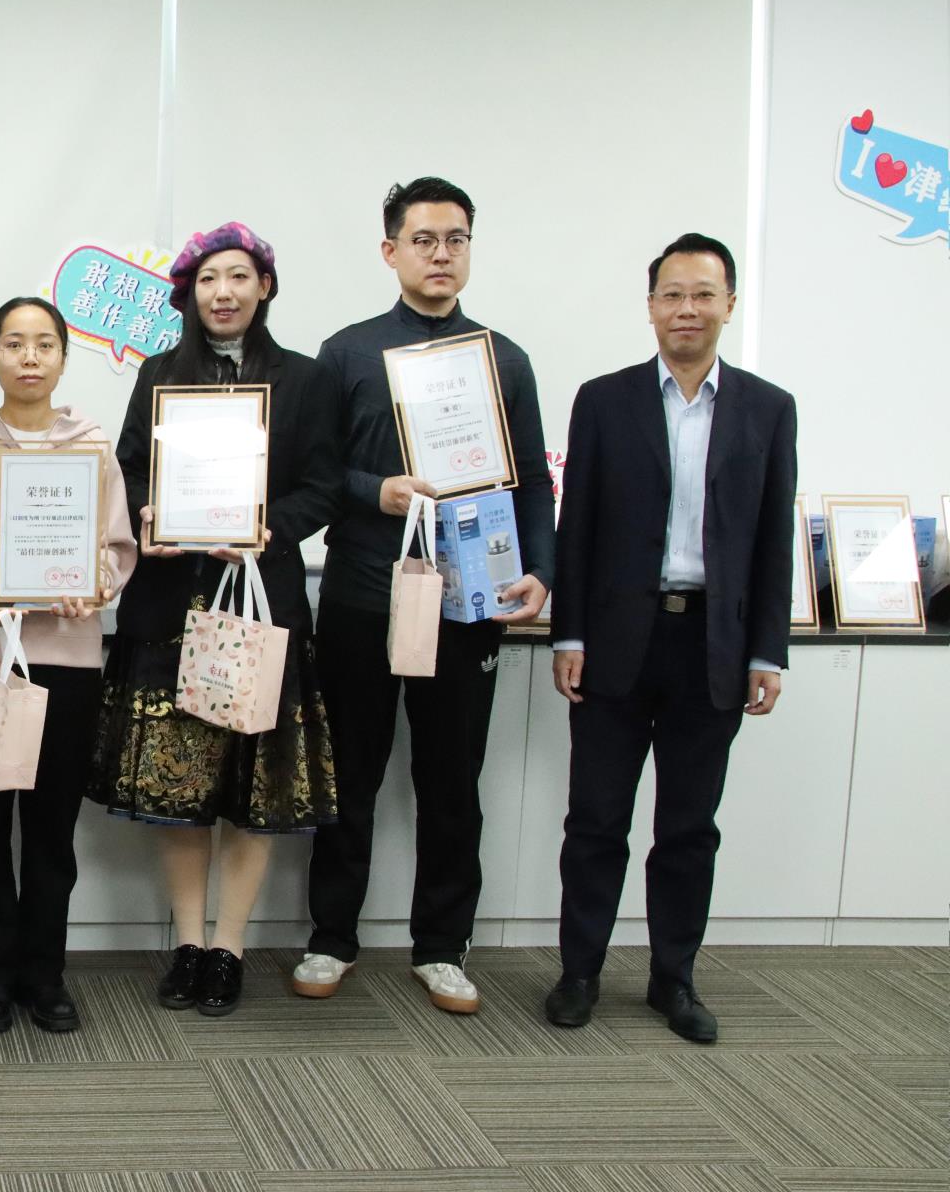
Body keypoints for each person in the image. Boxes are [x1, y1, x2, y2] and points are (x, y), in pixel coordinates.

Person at [301, 177, 554, 1016]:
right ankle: (332, 936)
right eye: (423, 240)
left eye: (455, 240)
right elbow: (314, 476)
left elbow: (531, 484)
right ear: (390, 251)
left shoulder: (503, 360)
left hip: (468, 600)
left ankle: (442, 947)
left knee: (452, 781)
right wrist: (376, 492)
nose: (440, 255)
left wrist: (541, 570)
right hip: (363, 596)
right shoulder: (346, 353)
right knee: (350, 775)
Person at [543, 233, 795, 1044]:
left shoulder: (768, 408)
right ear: (650, 306)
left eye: (703, 294)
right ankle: (579, 972)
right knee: (595, 821)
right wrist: (567, 634)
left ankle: (672, 978)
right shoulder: (603, 400)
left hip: (712, 645)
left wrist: (767, 650)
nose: (687, 309)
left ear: (729, 304)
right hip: (616, 640)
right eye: (672, 294)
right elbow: (577, 528)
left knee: (688, 828)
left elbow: (772, 541)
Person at [87, 222, 343, 1017]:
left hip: (260, 602)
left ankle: (230, 948)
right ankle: (189, 944)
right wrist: (148, 511)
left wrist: (271, 527)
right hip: (170, 603)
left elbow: (324, 485)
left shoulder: (304, 380)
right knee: (179, 783)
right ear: (188, 293)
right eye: (207, 280)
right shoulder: (161, 373)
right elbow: (129, 468)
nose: (222, 293)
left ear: (264, 286)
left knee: (250, 786)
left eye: (237, 277)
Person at [0, 297, 137, 1034]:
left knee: (50, 830)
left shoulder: (93, 447)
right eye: (14, 343)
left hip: (67, 658)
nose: (30, 357)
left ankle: (44, 975)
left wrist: (92, 586)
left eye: (44, 343)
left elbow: (116, 548)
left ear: (64, 358)